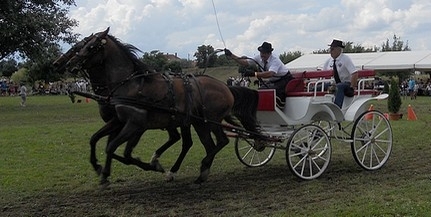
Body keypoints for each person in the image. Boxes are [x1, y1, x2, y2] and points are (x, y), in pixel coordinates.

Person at [224, 42, 292, 107]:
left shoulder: (275, 60)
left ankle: (279, 106)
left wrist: (254, 74)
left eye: (264, 53)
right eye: (261, 52)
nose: (262, 55)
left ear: (269, 53)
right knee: (261, 90)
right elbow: (245, 62)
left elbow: (270, 74)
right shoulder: (258, 57)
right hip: (274, 80)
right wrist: (231, 55)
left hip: (284, 79)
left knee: (272, 91)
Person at [323, 39, 358, 108]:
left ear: (339, 50)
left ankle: (337, 108)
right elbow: (324, 74)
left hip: (345, 83)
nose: (330, 51)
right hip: (333, 83)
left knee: (339, 86)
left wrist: (352, 87)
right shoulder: (328, 61)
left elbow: (354, 73)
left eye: (332, 49)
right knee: (318, 87)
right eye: (330, 49)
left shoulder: (345, 59)